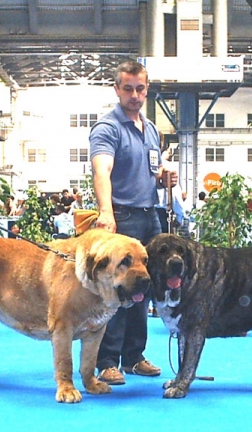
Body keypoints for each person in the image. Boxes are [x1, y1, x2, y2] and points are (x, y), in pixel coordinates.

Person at [89, 60, 177, 385]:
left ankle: (134, 357)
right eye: (128, 89)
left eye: (140, 89)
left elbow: (150, 172)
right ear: (117, 89)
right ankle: (107, 360)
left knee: (144, 287)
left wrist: (163, 178)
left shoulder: (151, 129)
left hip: (150, 215)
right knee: (116, 292)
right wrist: (106, 211)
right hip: (121, 217)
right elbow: (102, 171)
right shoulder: (107, 128)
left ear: (147, 89)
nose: (135, 95)